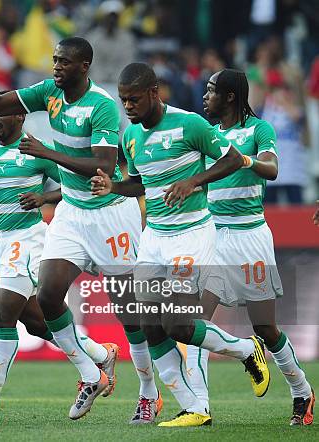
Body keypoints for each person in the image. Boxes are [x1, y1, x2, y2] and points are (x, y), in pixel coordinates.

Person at [0, 33, 159, 422]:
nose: (55, 68)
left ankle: (149, 393)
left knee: (128, 311)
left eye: (63, 62)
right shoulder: (47, 93)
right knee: (49, 295)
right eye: (54, 60)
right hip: (71, 212)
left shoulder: (101, 105)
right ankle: (91, 374)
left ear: (83, 66)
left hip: (110, 212)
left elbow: (103, 165)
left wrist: (46, 151)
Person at [91, 62, 270, 427]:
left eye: (134, 99)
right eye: (124, 100)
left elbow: (233, 159)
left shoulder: (190, 124)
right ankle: (194, 408)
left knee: (177, 322)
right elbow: (141, 183)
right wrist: (114, 188)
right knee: (149, 323)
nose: (128, 107)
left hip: (192, 233)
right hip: (153, 235)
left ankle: (245, 350)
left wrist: (194, 181)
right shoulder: (131, 137)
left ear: (155, 92)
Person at [0, 97, 118, 420]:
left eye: (0, 114)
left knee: (3, 316)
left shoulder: (34, 151)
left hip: (28, 241)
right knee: (35, 323)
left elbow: (74, 184)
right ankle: (101, 355)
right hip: (2, 242)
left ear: (19, 116)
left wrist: (44, 197)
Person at [185, 68, 314, 426]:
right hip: (213, 235)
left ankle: (302, 390)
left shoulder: (259, 130)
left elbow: (272, 169)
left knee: (266, 328)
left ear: (229, 96)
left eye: (211, 91)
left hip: (250, 235)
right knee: (195, 322)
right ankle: (200, 407)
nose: (205, 96)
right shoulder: (208, 135)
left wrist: (244, 159)